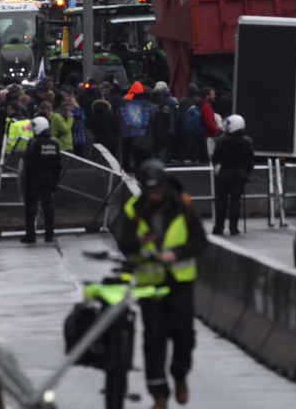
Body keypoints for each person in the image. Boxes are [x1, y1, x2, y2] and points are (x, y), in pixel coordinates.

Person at [118, 159, 207, 409]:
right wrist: (138, 241)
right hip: (151, 284)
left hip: (180, 282)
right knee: (154, 338)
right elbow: (125, 243)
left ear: (166, 185)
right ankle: (159, 394)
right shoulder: (133, 210)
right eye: (149, 191)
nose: (154, 196)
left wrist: (176, 254)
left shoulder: (184, 206)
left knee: (183, 335)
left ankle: (179, 374)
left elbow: (200, 241)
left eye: (157, 190)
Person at [211, 115, 255, 236]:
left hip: (225, 173)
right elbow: (250, 161)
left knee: (221, 201)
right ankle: (233, 227)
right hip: (240, 174)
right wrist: (246, 172)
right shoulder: (247, 142)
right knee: (236, 200)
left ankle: (219, 227)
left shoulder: (222, 142)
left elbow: (215, 159)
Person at [21, 116, 61, 243]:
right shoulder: (54, 143)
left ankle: (30, 234)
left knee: (31, 206)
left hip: (34, 178)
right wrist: (55, 179)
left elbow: (27, 162)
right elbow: (59, 164)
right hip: (49, 178)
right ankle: (49, 234)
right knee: (48, 205)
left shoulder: (34, 142)